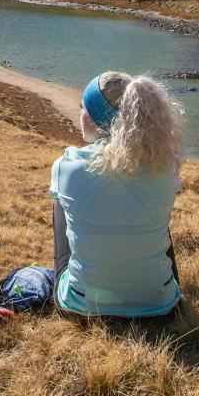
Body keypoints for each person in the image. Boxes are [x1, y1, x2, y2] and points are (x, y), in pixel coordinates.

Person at [50, 71, 184, 318]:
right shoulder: (165, 167)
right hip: (162, 307)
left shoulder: (67, 165)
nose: (80, 114)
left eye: (84, 108)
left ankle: (83, 282)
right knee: (154, 212)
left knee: (60, 204)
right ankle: (151, 286)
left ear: (95, 118)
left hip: (83, 307)